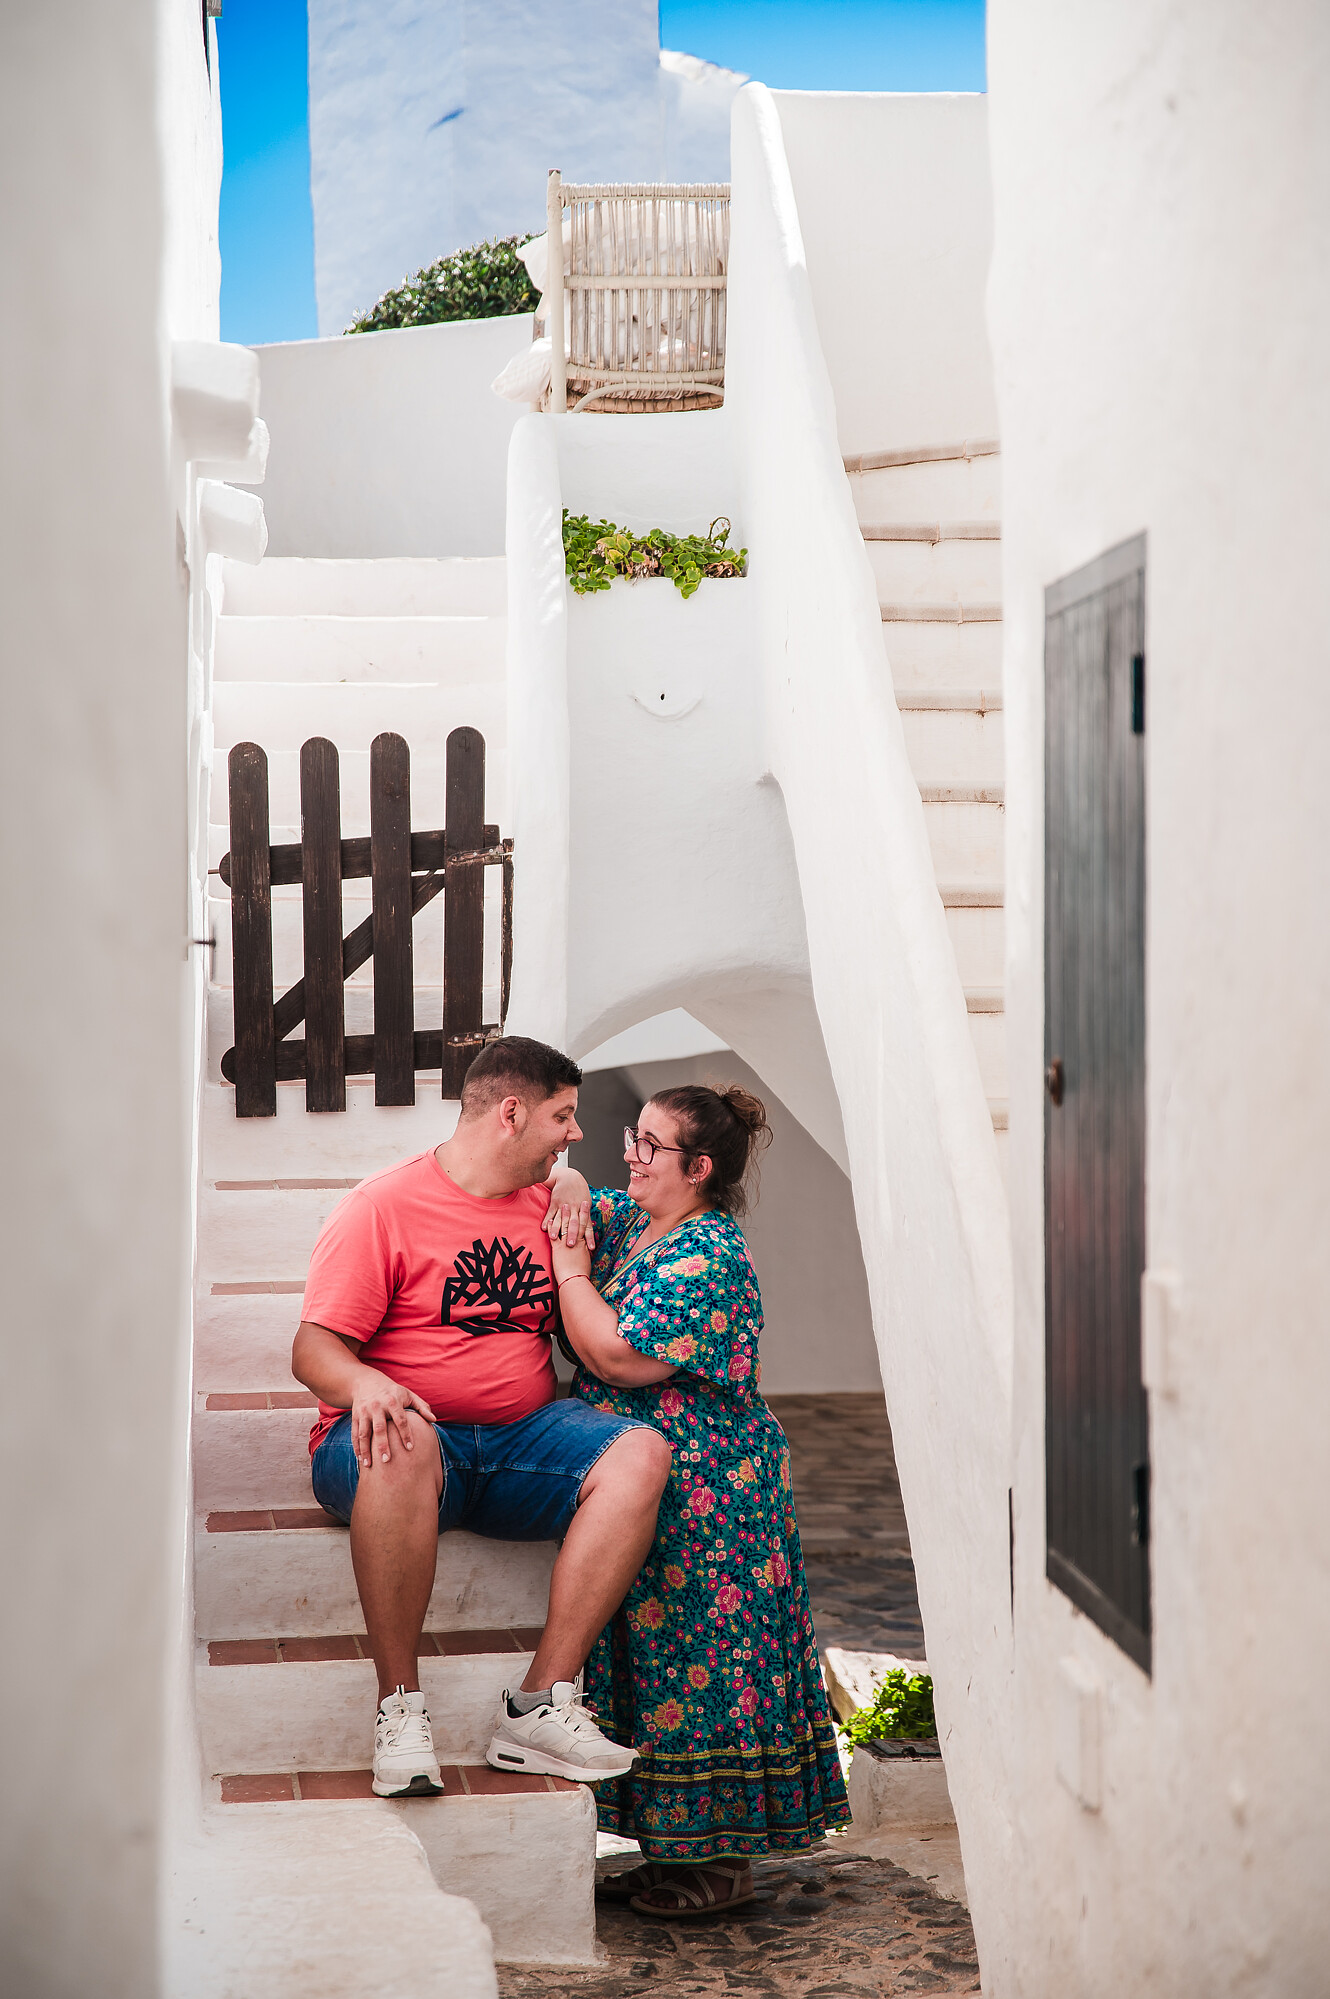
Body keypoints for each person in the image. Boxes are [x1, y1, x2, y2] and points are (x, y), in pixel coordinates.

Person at [290, 1035, 673, 1798]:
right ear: (511, 1112)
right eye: (564, 1116)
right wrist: (364, 1383)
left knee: (640, 1452)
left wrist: (569, 1182)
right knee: (401, 1434)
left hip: (517, 1445)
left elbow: (587, 1191)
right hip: (392, 1444)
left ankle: (538, 1704)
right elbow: (312, 1347)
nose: (576, 1133)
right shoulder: (382, 1206)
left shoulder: (553, 1205)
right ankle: (399, 1708)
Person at [550, 1083, 851, 1916]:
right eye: (633, 1137)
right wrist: (572, 1190)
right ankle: (669, 1850)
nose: (630, 1156)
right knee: (654, 1672)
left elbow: (615, 1357)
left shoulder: (710, 1255)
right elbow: (567, 1187)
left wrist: (572, 1271)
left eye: (649, 1145)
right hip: (645, 1480)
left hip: (712, 1499)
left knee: (707, 1667)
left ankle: (721, 1865)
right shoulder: (638, 1220)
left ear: (700, 1167)